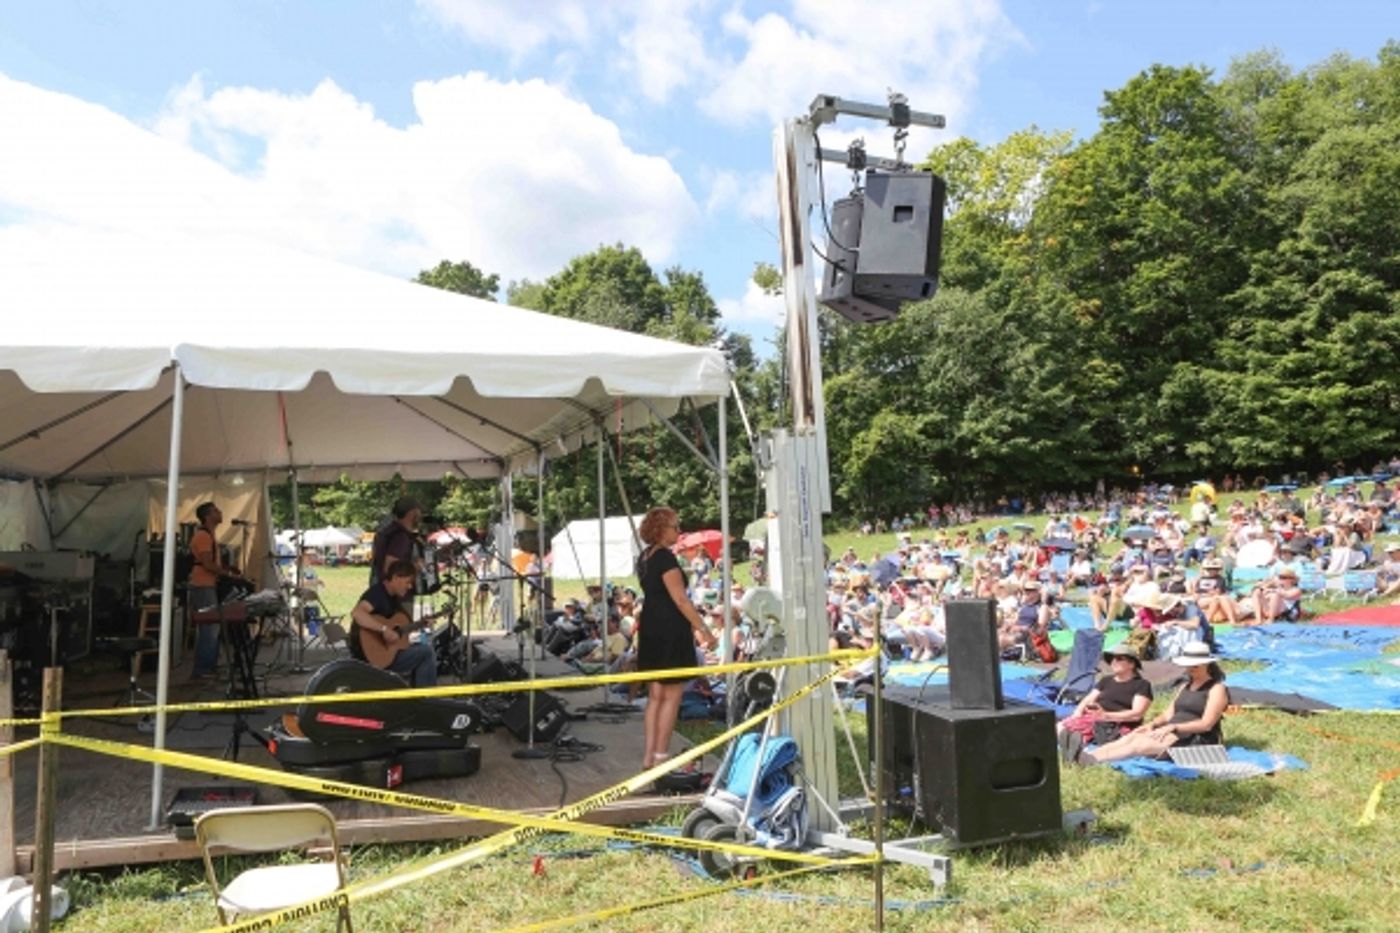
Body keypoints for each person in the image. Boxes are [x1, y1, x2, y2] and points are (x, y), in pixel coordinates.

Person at [635, 506, 718, 773]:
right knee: (671, 696)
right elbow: (681, 600)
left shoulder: (644, 557)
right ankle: (660, 756)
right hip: (670, 628)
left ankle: (650, 756)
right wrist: (703, 628)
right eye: (674, 527)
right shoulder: (666, 560)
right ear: (661, 529)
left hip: (650, 625)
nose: (678, 531)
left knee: (656, 695)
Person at [1078, 641, 1229, 765]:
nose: (1190, 669)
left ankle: (1092, 760)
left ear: (1207, 665)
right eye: (1189, 665)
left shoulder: (1216, 689)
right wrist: (1151, 725)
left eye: (1195, 665)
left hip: (1196, 737)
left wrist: (1173, 727)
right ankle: (1085, 756)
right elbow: (1168, 714)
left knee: (1140, 745)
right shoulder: (1185, 686)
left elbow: (1206, 724)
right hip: (1172, 730)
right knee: (1131, 737)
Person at [349, 559, 438, 687]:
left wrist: (421, 623)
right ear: (396, 578)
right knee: (426, 653)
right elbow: (357, 613)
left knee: (421, 648)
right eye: (408, 582)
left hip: (387, 654)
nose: (410, 587)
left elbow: (399, 628)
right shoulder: (377, 593)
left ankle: (419, 696)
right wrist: (384, 629)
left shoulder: (394, 598)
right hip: (372, 657)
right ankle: (427, 698)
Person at [188, 502, 247, 680]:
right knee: (210, 627)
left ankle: (208, 666)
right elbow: (207, 564)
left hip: (207, 583)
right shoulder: (204, 537)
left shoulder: (209, 535)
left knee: (212, 626)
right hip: (203, 584)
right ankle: (203, 669)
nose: (220, 512)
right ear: (207, 516)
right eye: (216, 511)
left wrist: (226, 569)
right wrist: (228, 574)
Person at [1056, 645, 1153, 754]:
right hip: (1094, 718)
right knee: (1060, 726)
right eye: (1113, 659)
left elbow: (1136, 714)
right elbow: (1088, 699)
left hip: (1119, 724)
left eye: (1119, 659)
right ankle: (1077, 747)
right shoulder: (1106, 680)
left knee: (1082, 734)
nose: (1114, 662)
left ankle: (1081, 749)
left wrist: (1106, 715)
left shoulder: (1141, 685)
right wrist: (1077, 713)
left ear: (1132, 664)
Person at [369, 496, 422, 587]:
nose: (421, 515)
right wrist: (415, 567)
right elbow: (390, 568)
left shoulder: (388, 531)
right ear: (411, 513)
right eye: (419, 511)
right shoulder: (400, 537)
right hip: (395, 594)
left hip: (382, 590)